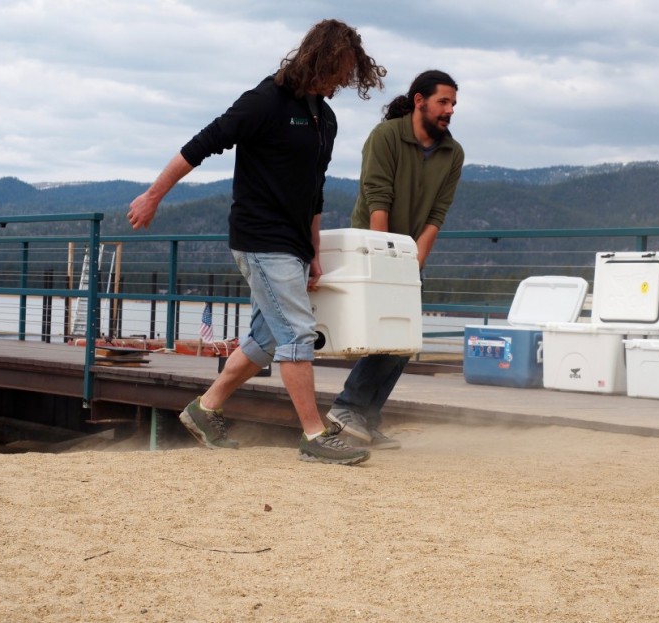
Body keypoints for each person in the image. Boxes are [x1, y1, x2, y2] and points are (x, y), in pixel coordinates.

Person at [127, 19, 386, 465]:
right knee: (298, 333)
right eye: (340, 68)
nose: (344, 80)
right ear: (319, 57)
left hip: (293, 244)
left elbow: (315, 189)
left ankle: (204, 410)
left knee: (267, 339)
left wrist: (314, 251)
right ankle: (313, 434)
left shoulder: (325, 118)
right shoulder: (264, 101)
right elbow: (200, 145)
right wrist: (153, 196)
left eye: (350, 72)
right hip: (260, 238)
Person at [325, 70, 464, 450]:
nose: (449, 110)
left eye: (453, 104)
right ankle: (347, 407)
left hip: (409, 254)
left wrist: (412, 263)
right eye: (443, 102)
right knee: (384, 334)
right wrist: (386, 261)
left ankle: (367, 419)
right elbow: (377, 201)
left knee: (403, 340)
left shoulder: (453, 153)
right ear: (419, 100)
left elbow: (437, 214)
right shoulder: (385, 136)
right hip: (370, 247)